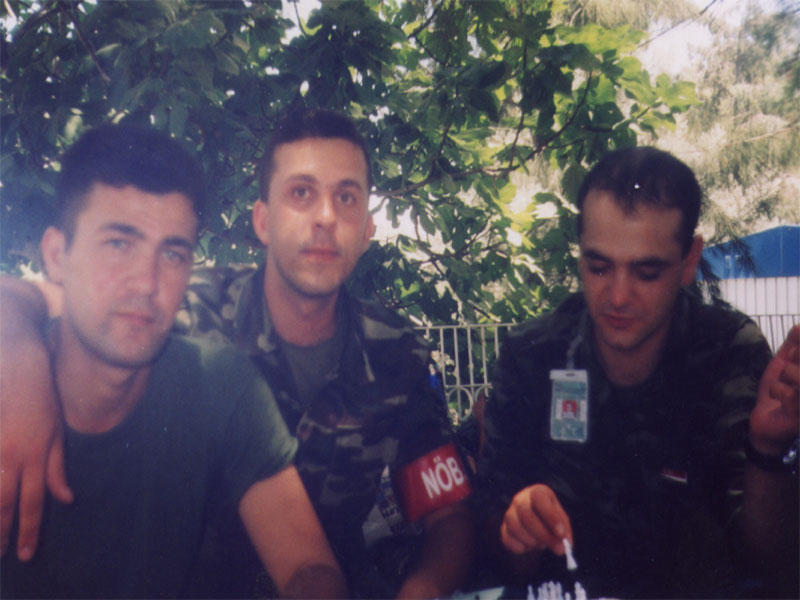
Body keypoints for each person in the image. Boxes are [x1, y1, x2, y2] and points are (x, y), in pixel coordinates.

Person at [0, 110, 474, 599]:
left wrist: (420, 594)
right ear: (262, 221)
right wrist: (16, 355)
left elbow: (446, 510)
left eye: (346, 198)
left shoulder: (395, 353)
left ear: (367, 231)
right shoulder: (180, 308)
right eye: (301, 193)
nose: (326, 218)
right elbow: (43, 298)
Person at [476, 147, 799, 598]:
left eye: (646, 272)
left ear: (689, 260)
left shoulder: (729, 353)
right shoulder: (533, 356)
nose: (618, 296)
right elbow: (493, 553)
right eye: (599, 267)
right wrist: (518, 526)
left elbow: (772, 563)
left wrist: (767, 449)